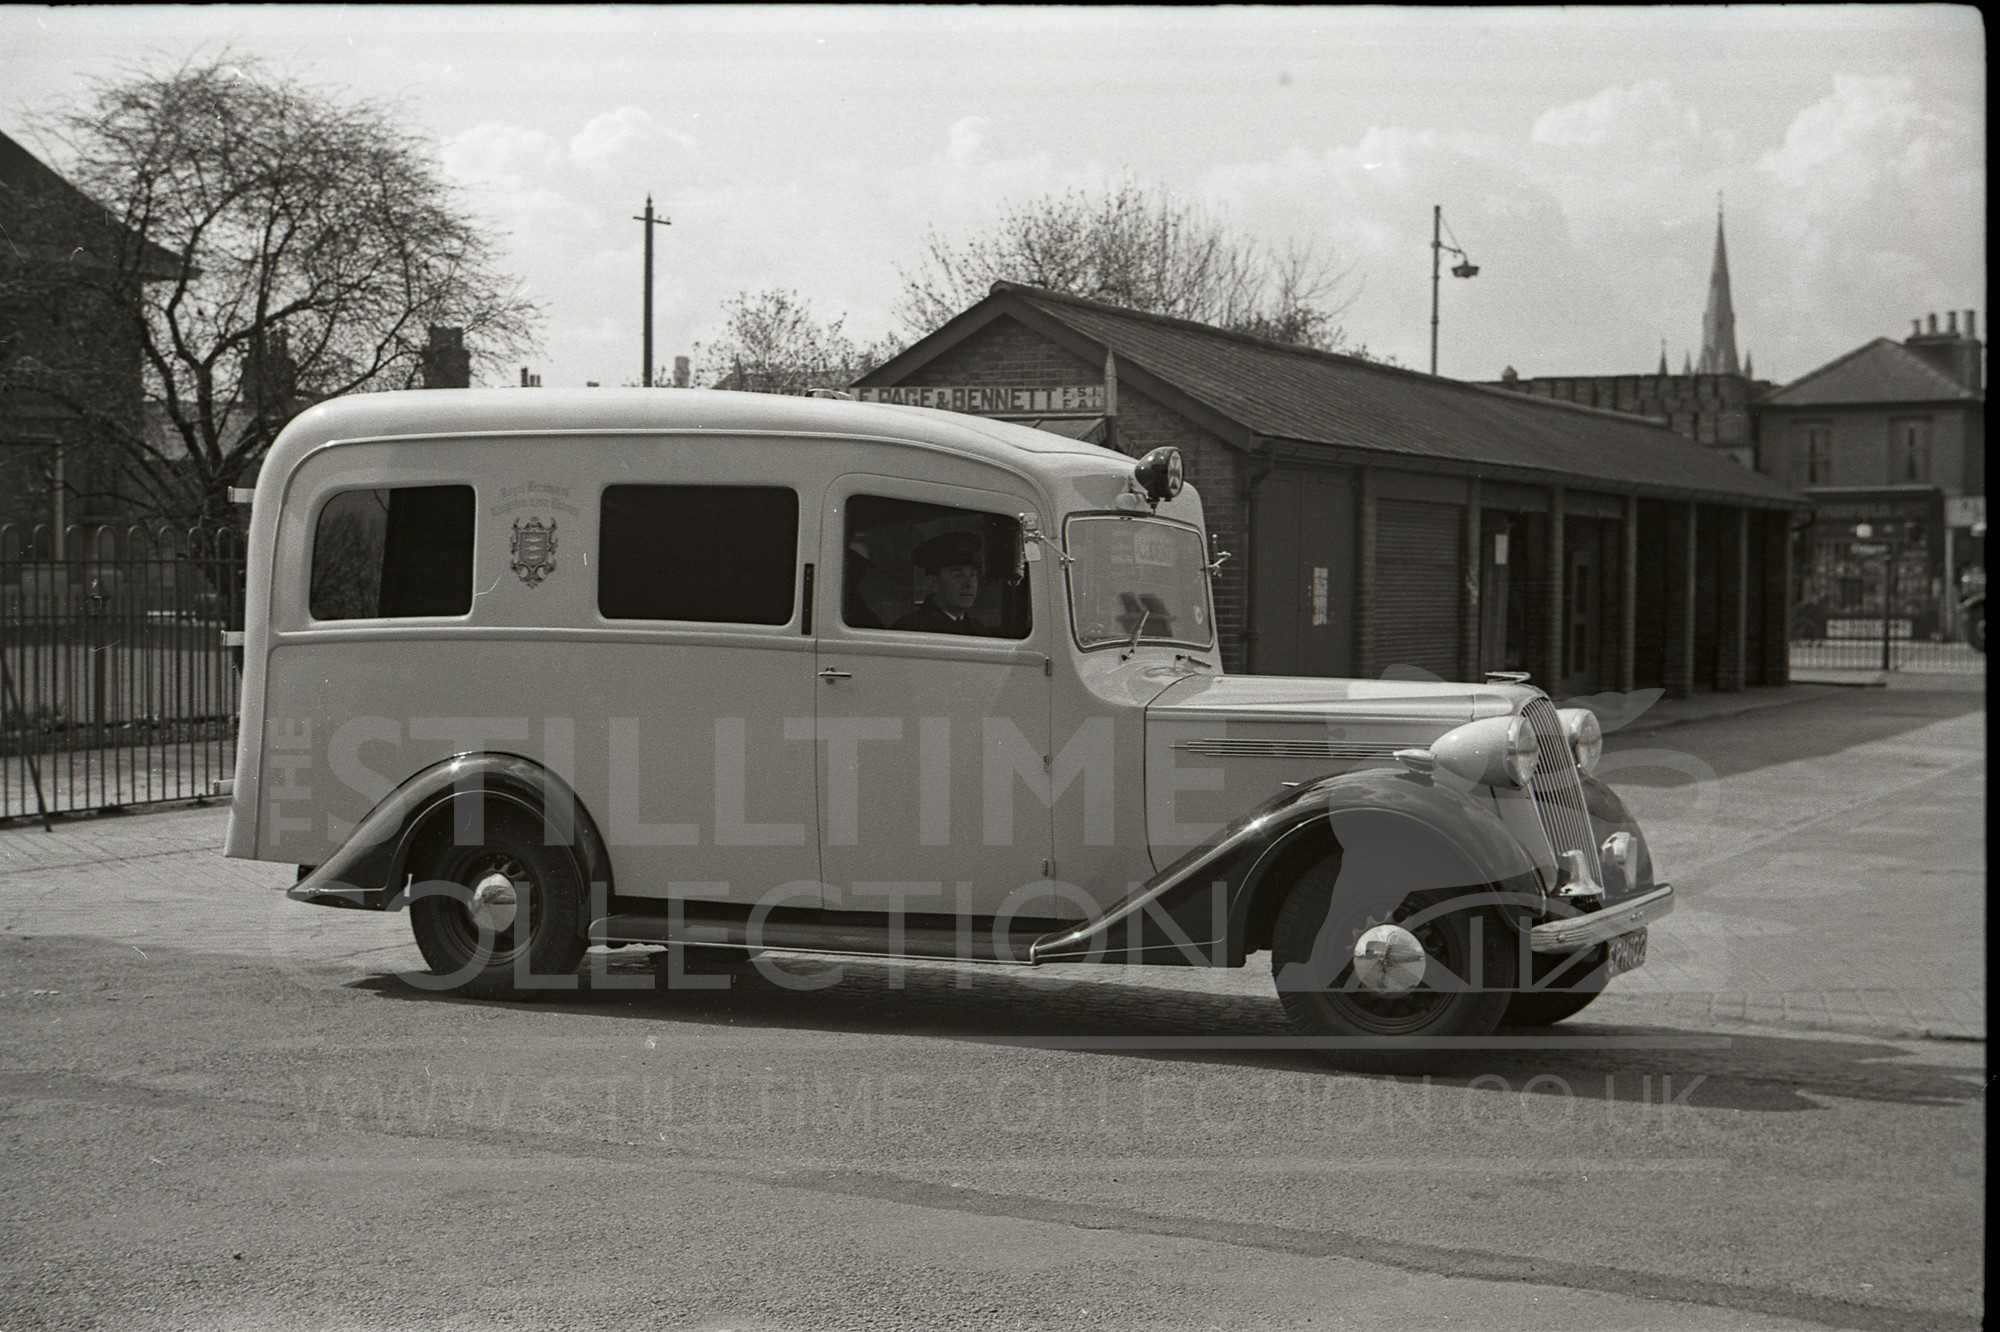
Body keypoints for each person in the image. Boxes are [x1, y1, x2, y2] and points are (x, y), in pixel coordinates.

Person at [895, 530, 989, 635]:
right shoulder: (909, 630)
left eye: (973, 575)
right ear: (933, 582)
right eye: (958, 575)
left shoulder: (979, 630)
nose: (968, 584)